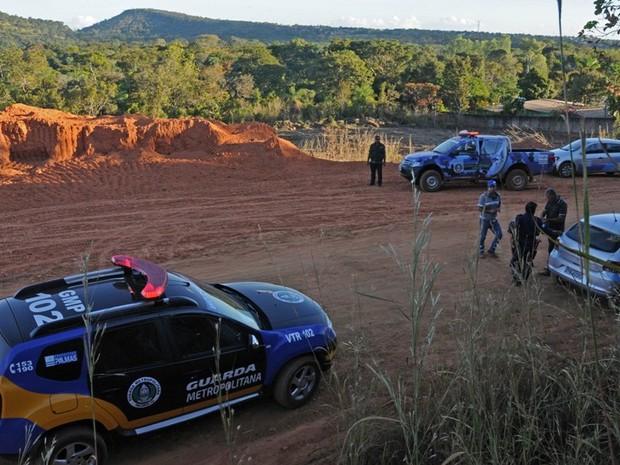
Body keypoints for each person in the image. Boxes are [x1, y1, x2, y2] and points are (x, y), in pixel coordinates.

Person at [509, 201, 543, 285]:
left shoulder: (519, 218)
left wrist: (514, 237)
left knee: (515, 261)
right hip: (531, 245)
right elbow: (545, 230)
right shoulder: (537, 220)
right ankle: (524, 279)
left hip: (519, 244)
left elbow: (511, 227)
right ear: (534, 211)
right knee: (528, 262)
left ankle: (517, 279)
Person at [539, 188, 568, 276]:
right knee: (551, 248)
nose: (548, 200)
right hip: (550, 229)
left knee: (553, 249)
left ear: (553, 196)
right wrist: (542, 216)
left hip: (557, 230)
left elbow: (561, 219)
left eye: (549, 198)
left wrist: (547, 220)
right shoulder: (550, 201)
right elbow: (545, 210)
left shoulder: (562, 204)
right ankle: (550, 267)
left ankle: (550, 268)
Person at [477, 180, 503, 258]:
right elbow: (479, 208)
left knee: (499, 234)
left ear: (495, 187)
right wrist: (489, 211)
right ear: (488, 188)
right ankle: (480, 251)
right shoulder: (483, 196)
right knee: (482, 236)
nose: (491, 189)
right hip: (484, 220)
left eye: (493, 187)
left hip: (493, 220)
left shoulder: (498, 196)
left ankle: (492, 250)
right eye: (490, 187)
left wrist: (497, 209)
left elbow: (499, 205)